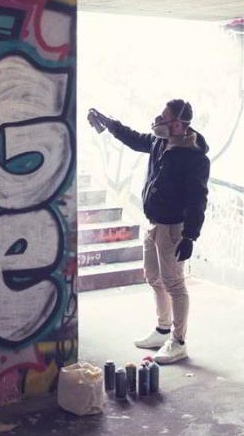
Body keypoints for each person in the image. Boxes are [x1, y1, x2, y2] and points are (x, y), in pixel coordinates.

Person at [87, 99, 210, 364]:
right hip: (153, 222)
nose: (158, 120)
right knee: (153, 276)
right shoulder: (158, 142)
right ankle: (163, 329)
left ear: (179, 124)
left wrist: (190, 235)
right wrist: (110, 124)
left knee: (174, 283)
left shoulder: (194, 157)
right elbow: (134, 139)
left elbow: (198, 199)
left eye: (165, 118)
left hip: (173, 228)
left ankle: (178, 342)